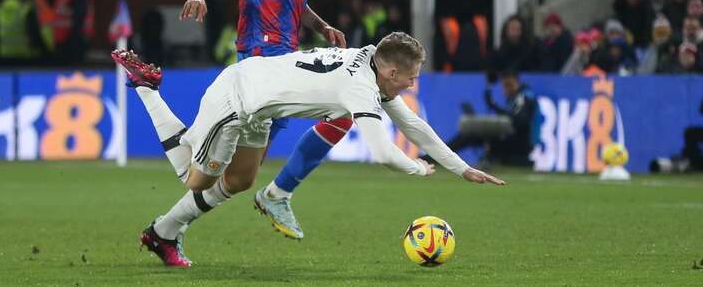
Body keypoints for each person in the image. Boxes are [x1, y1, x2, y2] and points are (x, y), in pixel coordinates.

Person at [112, 32, 505, 267]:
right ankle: (147, 89)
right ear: (391, 73)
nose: (412, 86)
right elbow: (384, 154)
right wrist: (419, 169)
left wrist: (461, 169)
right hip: (235, 100)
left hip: (259, 100)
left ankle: (162, 232)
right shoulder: (360, 87)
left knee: (241, 180)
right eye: (411, 79)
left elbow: (412, 125)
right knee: (195, 180)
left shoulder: (369, 60)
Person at [154, 0, 350, 240]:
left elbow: (295, 2)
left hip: (288, 58)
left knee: (238, 177)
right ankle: (277, 193)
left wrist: (321, 24)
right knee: (346, 105)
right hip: (260, 60)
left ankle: (164, 229)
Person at [446, 69, 536, 166]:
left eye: (509, 85)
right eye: (505, 86)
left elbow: (520, 121)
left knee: (474, 133)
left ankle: (443, 156)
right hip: (510, 137)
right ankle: (443, 155)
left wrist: (494, 106)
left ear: (517, 81)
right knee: (470, 134)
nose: (507, 89)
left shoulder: (524, 96)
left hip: (519, 142)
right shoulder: (514, 98)